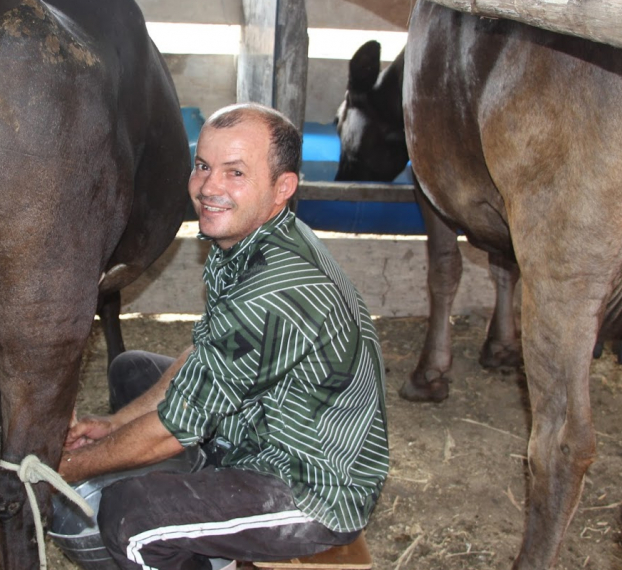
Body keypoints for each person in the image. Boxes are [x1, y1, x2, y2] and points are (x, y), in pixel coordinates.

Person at [58, 103, 389, 569]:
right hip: (262, 427)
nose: (209, 187)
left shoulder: (275, 289)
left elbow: (173, 429)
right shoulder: (247, 238)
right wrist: (114, 428)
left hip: (312, 487)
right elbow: (206, 354)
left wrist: (64, 468)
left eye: (235, 173)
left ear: (282, 188)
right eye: (203, 166)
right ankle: (201, 512)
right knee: (132, 370)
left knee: (129, 519)